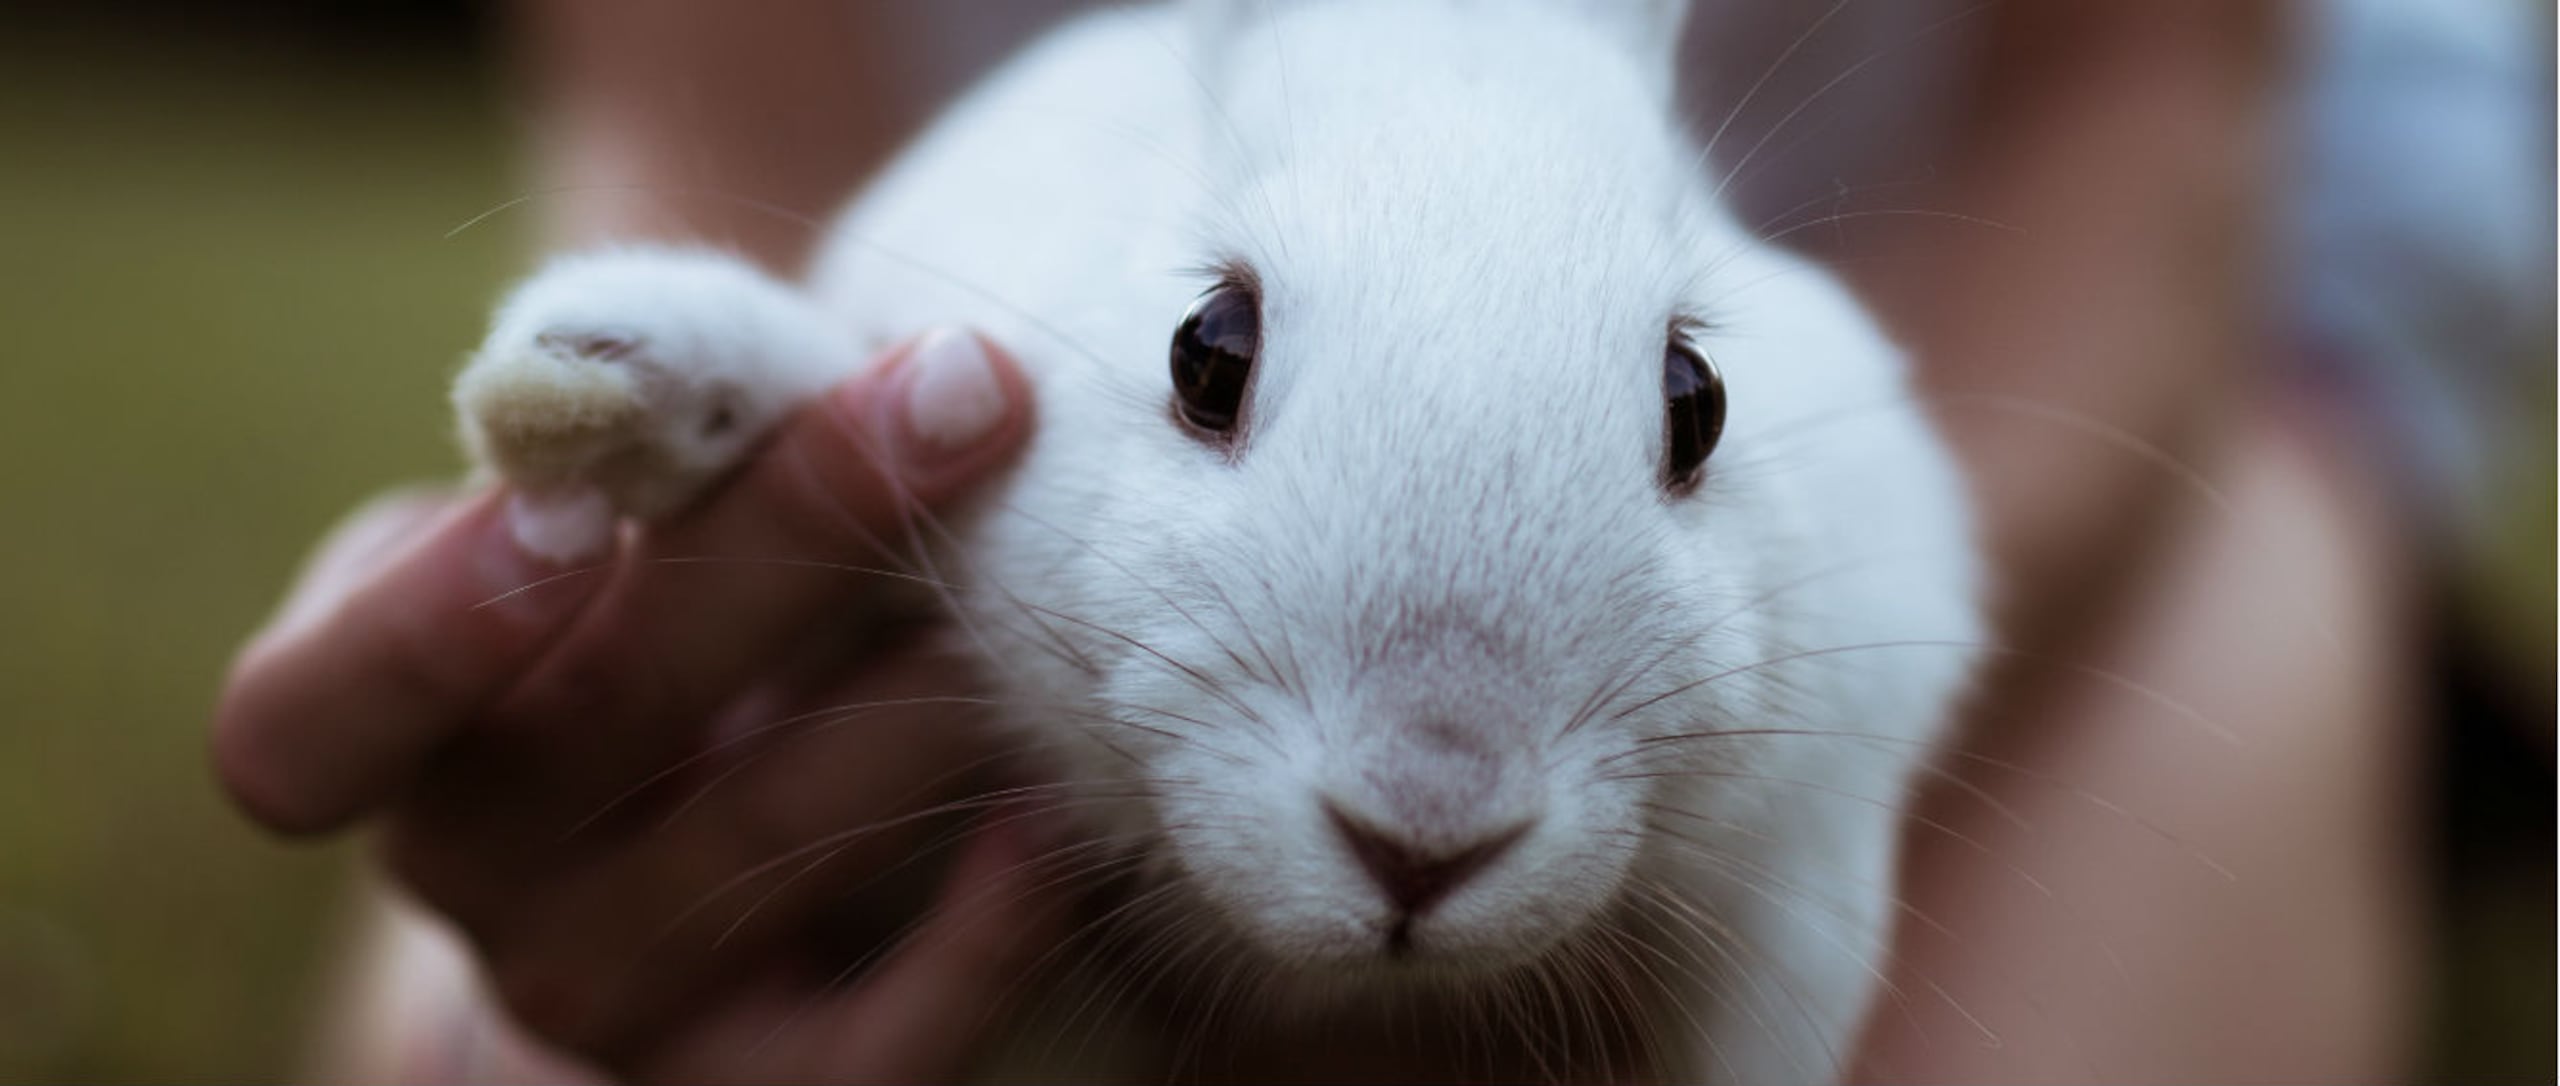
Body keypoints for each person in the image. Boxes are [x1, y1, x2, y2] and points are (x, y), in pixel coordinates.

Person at [214, 0, 2424, 1080]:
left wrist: (1782, 807)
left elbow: (2135, 112)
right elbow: (726, 159)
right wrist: (679, 589)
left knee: (2208, 689)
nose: (1421, 810)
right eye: (1212, 369)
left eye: (1684, 409)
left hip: (2051, 316)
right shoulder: (1039, 225)